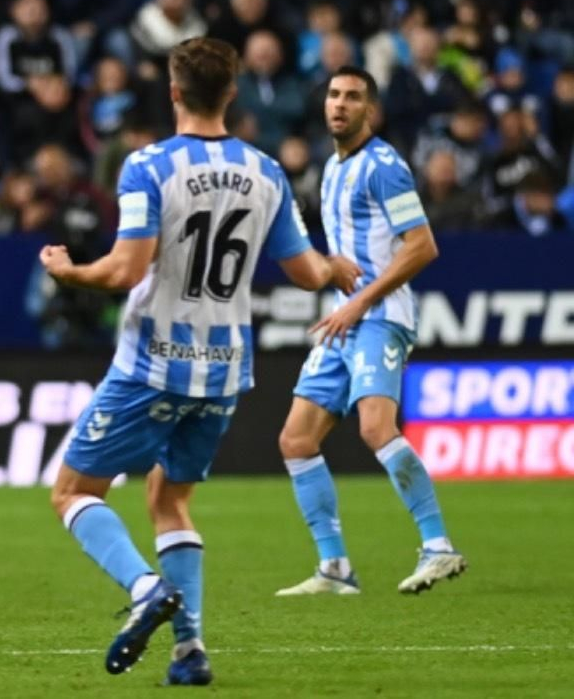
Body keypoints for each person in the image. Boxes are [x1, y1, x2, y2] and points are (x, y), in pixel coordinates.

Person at [41, 37, 355, 686]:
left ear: (174, 91)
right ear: (232, 94)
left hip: (151, 364)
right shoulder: (267, 172)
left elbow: (126, 269)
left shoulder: (148, 166)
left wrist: (70, 273)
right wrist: (334, 265)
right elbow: (303, 273)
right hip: (222, 369)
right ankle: (189, 652)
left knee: (73, 491)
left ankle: (144, 589)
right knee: (170, 497)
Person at [277, 66, 465, 597]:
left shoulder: (384, 166)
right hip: (345, 317)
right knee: (295, 439)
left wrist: (357, 302)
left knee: (375, 427)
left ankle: (438, 547)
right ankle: (335, 568)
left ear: (370, 110)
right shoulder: (333, 169)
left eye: (352, 97)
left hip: (379, 316)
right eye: (334, 95)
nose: (339, 104)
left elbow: (422, 245)